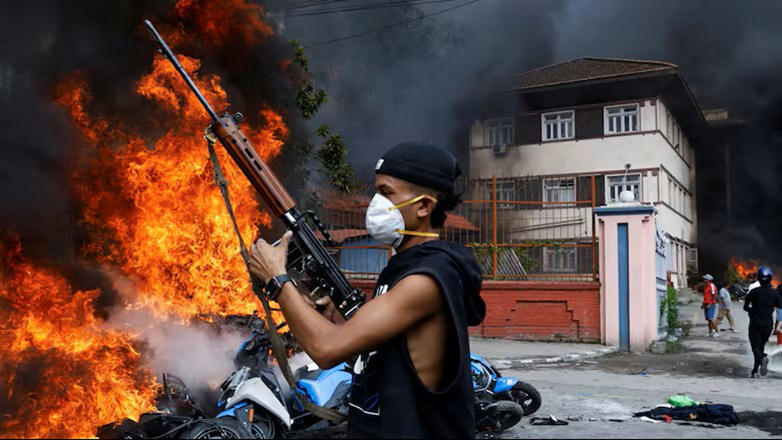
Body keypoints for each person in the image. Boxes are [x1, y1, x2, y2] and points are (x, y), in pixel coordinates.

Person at [249, 142, 486, 438]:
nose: (375, 203)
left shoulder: (427, 279)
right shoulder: (402, 268)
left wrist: (277, 279)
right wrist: (331, 320)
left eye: (387, 192)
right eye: (376, 191)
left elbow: (326, 350)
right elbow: (380, 358)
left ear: (425, 206)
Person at [743, 266, 782, 378]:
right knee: (760, 346)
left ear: (758, 278)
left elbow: (745, 307)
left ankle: (762, 358)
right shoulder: (774, 293)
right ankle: (755, 371)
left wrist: (753, 311)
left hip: (755, 323)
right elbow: (779, 305)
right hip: (768, 324)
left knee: (755, 347)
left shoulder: (754, 292)